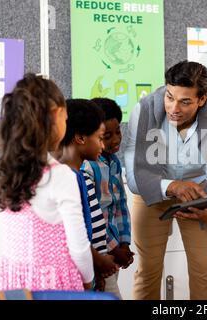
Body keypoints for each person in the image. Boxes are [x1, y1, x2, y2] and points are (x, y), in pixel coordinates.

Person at [124, 60, 207, 300]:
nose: (174, 108)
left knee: (202, 269)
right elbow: (133, 175)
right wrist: (172, 186)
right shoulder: (143, 111)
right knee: (148, 270)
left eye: (185, 102)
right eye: (170, 97)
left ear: (201, 99)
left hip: (197, 198)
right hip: (151, 191)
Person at [0, 73, 94, 291]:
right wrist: (88, 278)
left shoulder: (9, 169)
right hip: (53, 285)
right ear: (57, 114)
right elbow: (79, 246)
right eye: (66, 119)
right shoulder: (60, 175)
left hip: (15, 285)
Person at [58, 98, 120, 292]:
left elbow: (94, 228)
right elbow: (77, 237)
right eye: (100, 138)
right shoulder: (70, 179)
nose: (103, 146)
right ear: (81, 138)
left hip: (91, 271)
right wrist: (97, 264)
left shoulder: (79, 178)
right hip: (78, 277)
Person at [82, 98, 134, 299]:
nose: (116, 140)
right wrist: (114, 247)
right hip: (99, 252)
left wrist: (124, 243)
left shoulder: (113, 163)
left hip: (114, 251)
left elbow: (120, 206)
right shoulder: (88, 167)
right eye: (107, 136)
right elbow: (95, 217)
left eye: (118, 132)